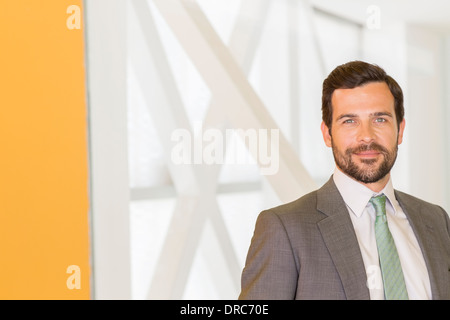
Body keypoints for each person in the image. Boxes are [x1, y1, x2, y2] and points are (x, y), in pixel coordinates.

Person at [239, 61, 450, 300]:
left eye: (380, 119)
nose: (367, 136)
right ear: (327, 134)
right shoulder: (285, 229)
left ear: (400, 130)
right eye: (349, 121)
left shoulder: (436, 221)